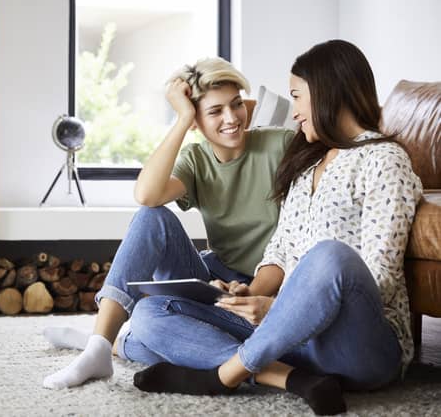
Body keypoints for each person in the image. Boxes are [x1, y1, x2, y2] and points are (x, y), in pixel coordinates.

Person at [127, 40, 423, 415]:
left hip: (360, 349)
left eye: (297, 97)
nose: (294, 113)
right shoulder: (305, 162)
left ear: (327, 93)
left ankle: (223, 375)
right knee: (150, 314)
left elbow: (381, 278)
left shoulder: (384, 160)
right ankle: (291, 378)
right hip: (296, 343)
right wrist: (250, 294)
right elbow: (281, 250)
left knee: (330, 255)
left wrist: (281, 308)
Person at [42, 57, 294, 389]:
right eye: (215, 112)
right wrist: (181, 119)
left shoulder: (281, 144)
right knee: (152, 217)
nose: (232, 119)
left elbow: (295, 239)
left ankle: (104, 344)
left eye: (236, 105)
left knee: (151, 330)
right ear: (196, 122)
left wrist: (252, 290)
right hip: (216, 282)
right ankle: (98, 345)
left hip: (266, 288)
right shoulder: (196, 159)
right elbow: (146, 195)